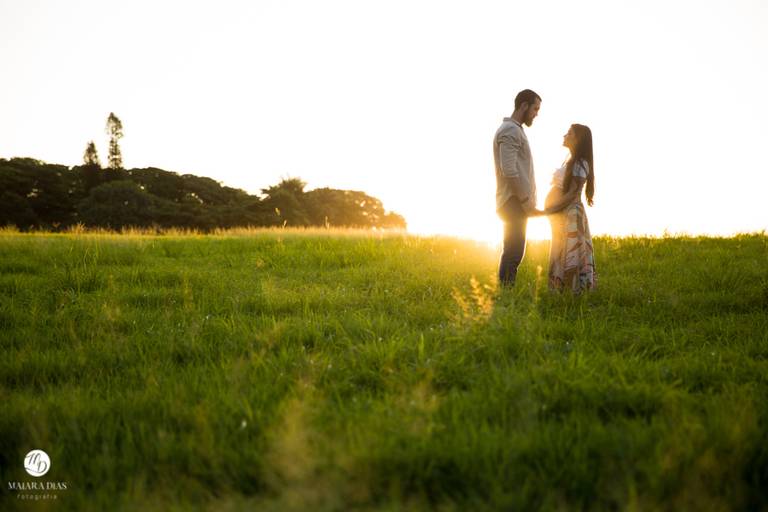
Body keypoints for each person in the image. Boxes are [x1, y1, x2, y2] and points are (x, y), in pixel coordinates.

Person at [493, 89, 542, 288]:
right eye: (535, 109)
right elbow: (509, 170)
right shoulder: (510, 130)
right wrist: (524, 201)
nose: (536, 114)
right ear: (524, 106)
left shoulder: (515, 130)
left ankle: (505, 294)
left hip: (515, 201)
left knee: (513, 252)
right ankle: (506, 296)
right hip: (513, 202)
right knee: (513, 253)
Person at [542, 124, 597, 293]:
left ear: (577, 139)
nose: (564, 135)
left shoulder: (581, 163)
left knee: (570, 251)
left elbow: (573, 194)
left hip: (571, 214)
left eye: (569, 133)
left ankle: (571, 292)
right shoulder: (570, 160)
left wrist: (550, 209)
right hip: (562, 213)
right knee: (561, 248)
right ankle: (560, 290)